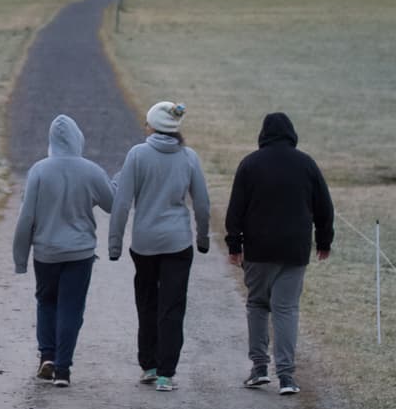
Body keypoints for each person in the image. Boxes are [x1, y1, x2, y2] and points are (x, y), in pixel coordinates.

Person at [225, 112, 334, 396]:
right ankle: (287, 376)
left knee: (258, 305)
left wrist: (234, 245)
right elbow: (324, 207)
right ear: (291, 134)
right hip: (295, 249)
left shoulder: (250, 164)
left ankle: (259, 368)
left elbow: (235, 209)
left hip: (259, 250)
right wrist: (324, 241)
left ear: (263, 134)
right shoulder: (306, 164)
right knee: (286, 309)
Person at [108, 101, 210, 393]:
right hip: (178, 243)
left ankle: (149, 365)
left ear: (152, 126)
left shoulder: (137, 155)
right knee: (173, 306)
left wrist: (115, 244)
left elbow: (123, 202)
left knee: (147, 302)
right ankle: (167, 374)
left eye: (147, 122)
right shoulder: (189, 157)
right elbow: (202, 204)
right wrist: (203, 239)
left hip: (145, 244)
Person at [12, 114, 114, 387]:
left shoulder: (38, 171)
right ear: (78, 139)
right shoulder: (91, 170)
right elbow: (112, 204)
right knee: (71, 307)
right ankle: (63, 370)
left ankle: (47, 355)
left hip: (45, 252)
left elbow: (26, 217)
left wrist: (20, 258)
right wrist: (116, 181)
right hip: (79, 253)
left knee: (46, 301)